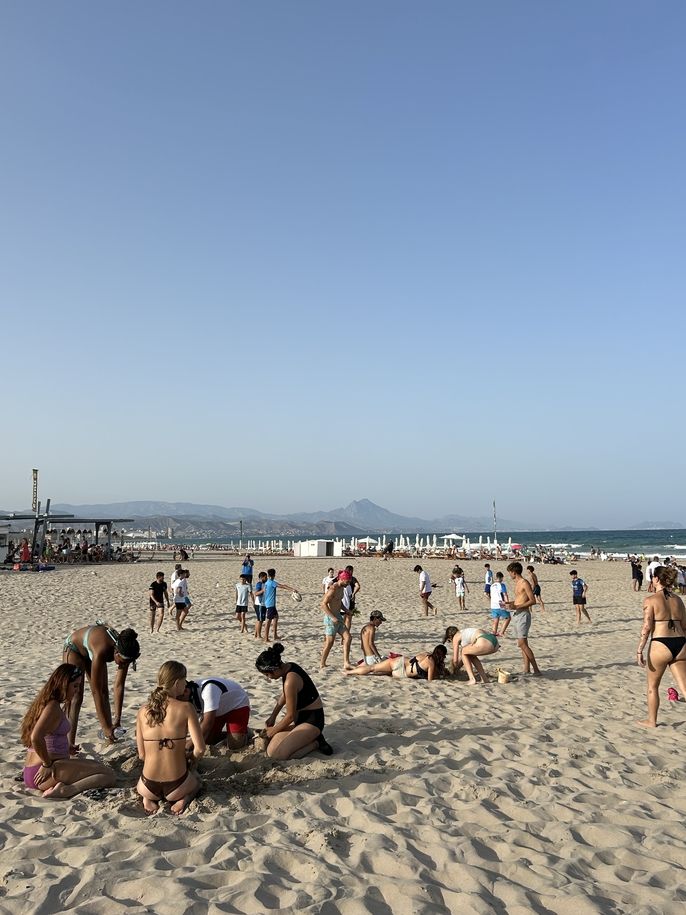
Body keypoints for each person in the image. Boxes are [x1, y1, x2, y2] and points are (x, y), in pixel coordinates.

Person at [21, 664, 116, 799]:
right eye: (75, 686)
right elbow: (35, 737)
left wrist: (66, 748)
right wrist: (46, 764)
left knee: (97, 766)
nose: (77, 691)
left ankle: (61, 785)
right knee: (108, 775)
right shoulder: (52, 707)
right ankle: (67, 790)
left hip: (33, 772)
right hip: (44, 771)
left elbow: (49, 735)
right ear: (63, 684)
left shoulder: (45, 702)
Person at [136, 661, 205, 815]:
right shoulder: (186, 707)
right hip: (177, 785)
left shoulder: (142, 711)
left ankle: (147, 799)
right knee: (197, 782)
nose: (186, 684)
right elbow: (200, 749)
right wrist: (191, 759)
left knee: (146, 782)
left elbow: (142, 755)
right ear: (176, 683)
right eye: (184, 680)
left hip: (147, 785)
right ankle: (184, 799)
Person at [62, 623, 141, 747]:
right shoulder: (102, 651)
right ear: (116, 652)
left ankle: (110, 736)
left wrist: (117, 720)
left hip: (90, 649)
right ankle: (68, 744)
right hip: (74, 649)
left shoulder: (126, 652)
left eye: (127, 663)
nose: (123, 665)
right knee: (75, 698)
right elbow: (96, 691)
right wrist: (105, 727)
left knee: (105, 693)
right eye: (122, 662)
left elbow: (118, 686)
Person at [256, 643, 332, 759]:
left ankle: (315, 743)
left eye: (267, 674)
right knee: (271, 751)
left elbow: (290, 716)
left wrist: (273, 731)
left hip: (312, 721)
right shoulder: (288, 666)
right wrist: (273, 716)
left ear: (274, 669)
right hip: (299, 720)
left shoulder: (290, 680)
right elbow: (286, 695)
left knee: (278, 756)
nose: (268, 678)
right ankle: (308, 738)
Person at [636, 565, 686, 727]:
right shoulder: (678, 599)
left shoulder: (650, 600)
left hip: (661, 643)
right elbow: (685, 625)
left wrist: (639, 650)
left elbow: (646, 627)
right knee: (685, 688)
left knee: (652, 686)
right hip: (681, 643)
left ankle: (652, 721)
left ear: (656, 579)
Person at [186, 676, 251, 747]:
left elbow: (208, 723)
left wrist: (188, 746)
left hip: (237, 705)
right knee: (207, 741)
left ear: (185, 691)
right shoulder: (186, 695)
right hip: (216, 709)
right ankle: (233, 733)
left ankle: (246, 733)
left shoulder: (208, 688)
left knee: (235, 744)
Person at [505, 562, 542, 676]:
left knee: (522, 644)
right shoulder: (517, 583)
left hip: (523, 615)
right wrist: (509, 604)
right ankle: (526, 669)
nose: (509, 575)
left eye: (510, 573)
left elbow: (532, 600)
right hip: (516, 614)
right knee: (523, 644)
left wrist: (516, 606)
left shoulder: (524, 583)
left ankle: (536, 670)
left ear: (514, 572)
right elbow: (520, 600)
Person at [344, 645, 447, 681]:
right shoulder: (431, 662)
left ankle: (351, 671)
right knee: (373, 670)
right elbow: (430, 679)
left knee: (373, 668)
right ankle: (349, 672)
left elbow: (414, 659)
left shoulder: (426, 654)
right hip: (402, 673)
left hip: (399, 662)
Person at [320, 571, 353, 669]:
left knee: (348, 637)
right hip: (331, 619)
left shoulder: (342, 588)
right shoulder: (333, 589)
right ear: (342, 579)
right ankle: (322, 663)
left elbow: (339, 602)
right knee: (329, 642)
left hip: (338, 617)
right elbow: (323, 604)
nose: (348, 583)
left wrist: (346, 610)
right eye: (347, 581)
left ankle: (346, 662)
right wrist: (332, 617)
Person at [262, 568, 299, 643]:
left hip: (269, 603)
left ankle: (275, 635)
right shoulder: (272, 582)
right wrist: (292, 589)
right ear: (274, 575)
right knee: (268, 621)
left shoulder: (266, 583)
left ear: (268, 575)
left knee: (276, 617)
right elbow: (282, 586)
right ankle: (266, 638)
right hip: (270, 604)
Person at [489, 571, 511, 637]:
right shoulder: (502, 585)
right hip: (500, 604)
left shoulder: (492, 585)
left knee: (496, 619)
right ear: (501, 578)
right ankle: (501, 632)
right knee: (508, 618)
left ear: (496, 578)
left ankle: (494, 632)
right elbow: (505, 595)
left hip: (493, 604)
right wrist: (507, 603)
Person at [253, 571, 268, 640]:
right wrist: (263, 591)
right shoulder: (259, 584)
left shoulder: (265, 583)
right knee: (260, 620)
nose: (266, 578)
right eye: (265, 577)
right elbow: (256, 593)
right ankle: (259, 635)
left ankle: (256, 634)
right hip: (259, 604)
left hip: (262, 604)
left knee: (259, 619)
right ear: (261, 578)